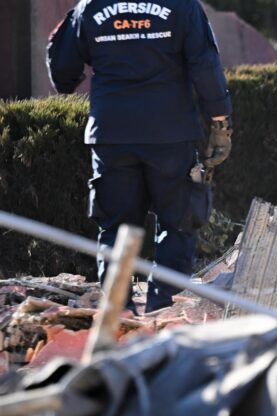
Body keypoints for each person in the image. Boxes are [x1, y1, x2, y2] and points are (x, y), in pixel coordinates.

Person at [47, 0, 233, 312]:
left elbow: (62, 74)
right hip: (170, 133)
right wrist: (220, 122)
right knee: (178, 223)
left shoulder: (90, 8)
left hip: (111, 133)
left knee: (115, 227)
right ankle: (165, 311)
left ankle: (118, 313)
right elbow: (205, 65)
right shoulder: (182, 7)